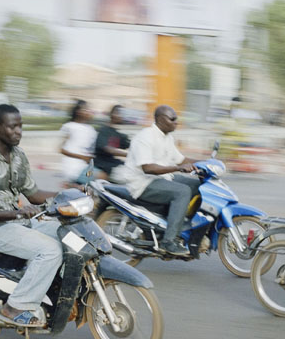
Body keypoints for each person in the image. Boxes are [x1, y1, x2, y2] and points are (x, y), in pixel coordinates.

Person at [0, 104, 61, 328]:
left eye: (20, 126)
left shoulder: (18, 156)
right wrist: (16, 213)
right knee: (49, 250)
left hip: (19, 222)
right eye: (12, 127)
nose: (18, 132)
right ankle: (15, 307)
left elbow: (34, 194)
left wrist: (67, 194)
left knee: (65, 233)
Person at [111, 105, 200, 256]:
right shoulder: (145, 137)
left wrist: (207, 163)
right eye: (172, 119)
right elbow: (148, 168)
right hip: (142, 183)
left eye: (176, 119)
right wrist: (178, 168)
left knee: (197, 185)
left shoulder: (167, 137)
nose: (176, 122)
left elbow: (181, 160)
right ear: (160, 119)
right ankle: (168, 241)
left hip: (162, 178)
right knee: (183, 191)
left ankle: (182, 224)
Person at [59, 99, 106, 186]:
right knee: (102, 176)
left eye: (89, 109)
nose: (89, 112)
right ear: (78, 112)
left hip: (87, 166)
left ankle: (75, 186)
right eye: (85, 109)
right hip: (75, 168)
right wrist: (82, 157)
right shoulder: (70, 127)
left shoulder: (91, 129)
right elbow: (62, 150)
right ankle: (72, 185)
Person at [93, 104, 131, 183]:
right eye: (119, 113)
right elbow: (108, 149)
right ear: (112, 114)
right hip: (102, 164)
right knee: (128, 179)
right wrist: (129, 154)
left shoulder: (119, 134)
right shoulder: (104, 130)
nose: (122, 116)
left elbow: (132, 144)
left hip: (113, 164)